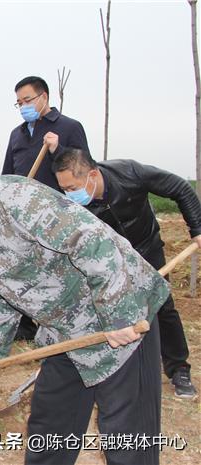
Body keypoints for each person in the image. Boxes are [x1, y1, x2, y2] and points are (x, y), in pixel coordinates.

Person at [0, 156, 169, 465]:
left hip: (120, 319)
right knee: (50, 425)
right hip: (67, 331)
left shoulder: (12, 199)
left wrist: (119, 313)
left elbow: (92, 241)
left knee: (126, 437)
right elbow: (5, 295)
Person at [53, 148, 201, 398]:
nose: (69, 195)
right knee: (107, 312)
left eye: (72, 187)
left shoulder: (130, 173)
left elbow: (180, 188)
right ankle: (111, 370)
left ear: (92, 174)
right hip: (110, 260)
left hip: (147, 248)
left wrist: (197, 228)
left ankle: (178, 369)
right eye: (64, 189)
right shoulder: (73, 208)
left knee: (163, 306)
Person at [2, 75, 91, 341]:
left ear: (44, 97)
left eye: (27, 100)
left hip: (57, 214)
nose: (23, 106)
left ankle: (59, 324)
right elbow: (8, 173)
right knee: (27, 269)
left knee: (57, 270)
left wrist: (58, 149)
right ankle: (27, 324)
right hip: (24, 215)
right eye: (18, 103)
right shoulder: (16, 135)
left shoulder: (69, 127)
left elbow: (84, 168)